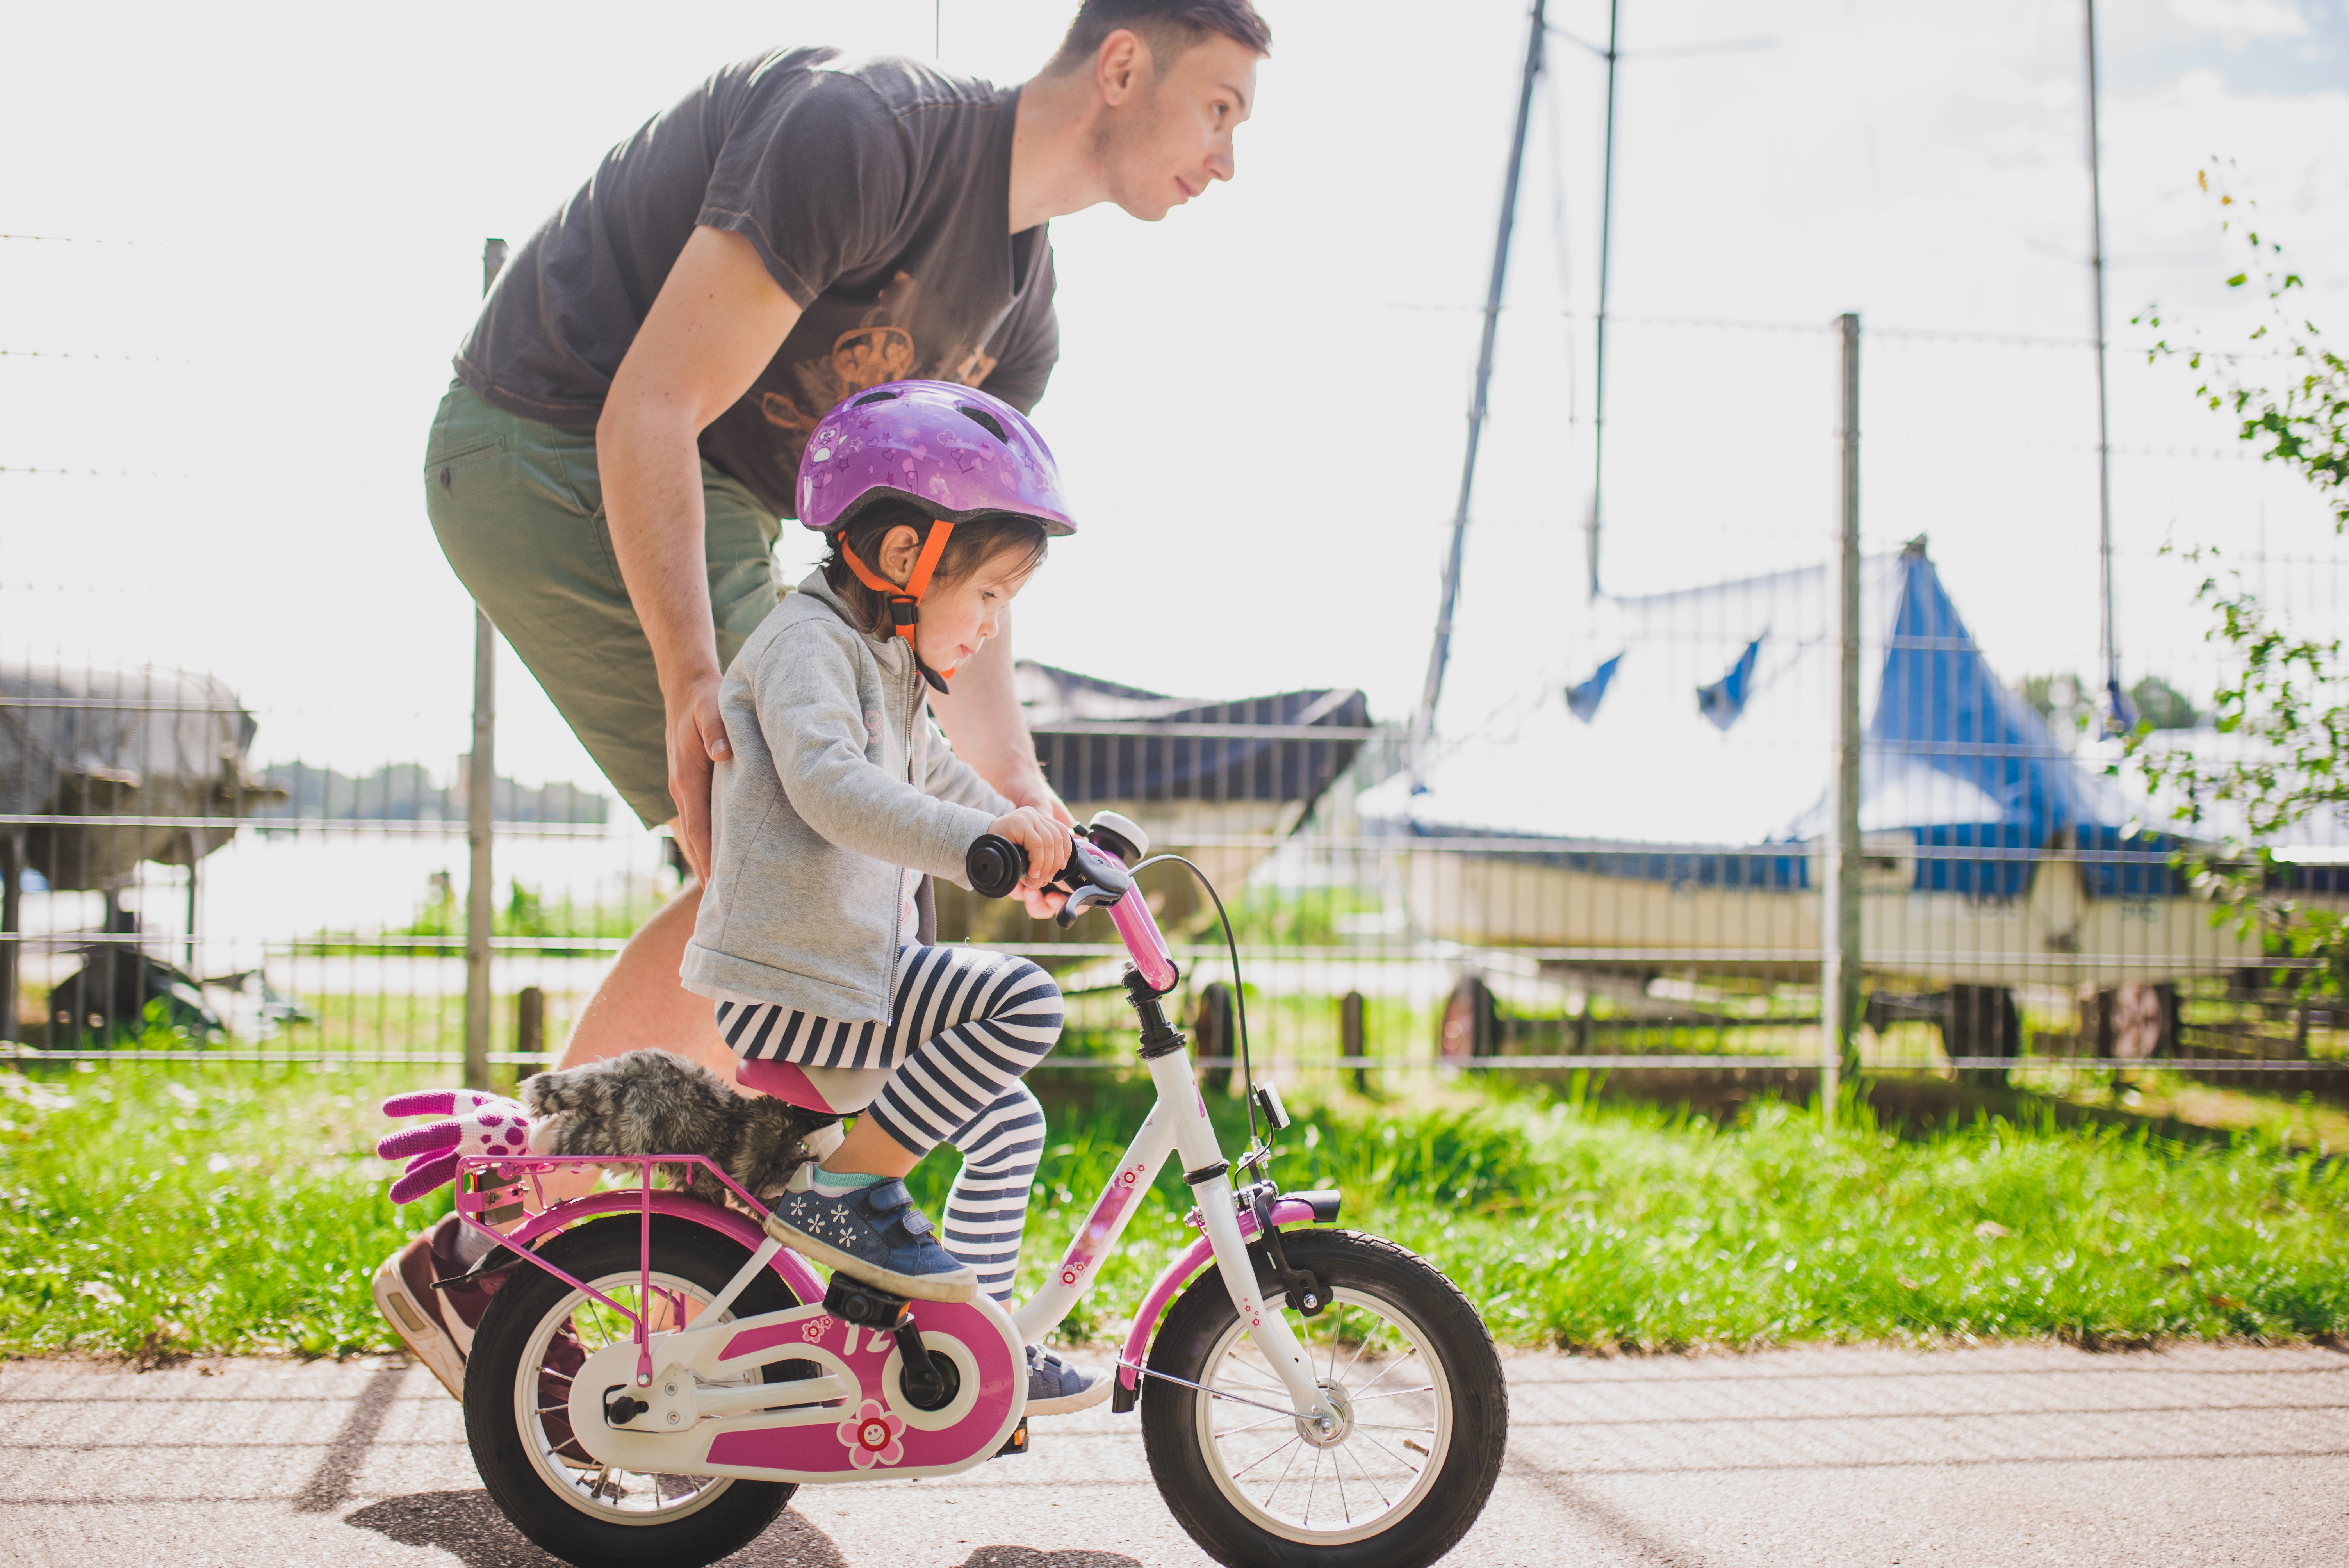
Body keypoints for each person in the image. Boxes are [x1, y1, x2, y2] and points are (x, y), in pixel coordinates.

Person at [376, 0, 1271, 1399]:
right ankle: (498, 1254)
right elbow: (646, 410)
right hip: (544, 443)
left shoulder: (1019, 315)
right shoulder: (869, 136)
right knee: (788, 851)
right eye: (1220, 108)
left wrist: (1020, 800)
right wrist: (692, 680)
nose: (1227, 161)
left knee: (831, 879)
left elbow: (943, 618)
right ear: (1120, 63)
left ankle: (720, 1244)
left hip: (712, 506)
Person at [692, 377, 1092, 1404]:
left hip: (850, 980)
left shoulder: (884, 657)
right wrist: (979, 846)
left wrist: (1047, 848)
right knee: (1023, 1002)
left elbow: (936, 782)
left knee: (1012, 1126)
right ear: (906, 556)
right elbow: (834, 789)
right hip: (797, 982)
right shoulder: (803, 647)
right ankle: (845, 1193)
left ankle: (973, 1348)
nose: (994, 627)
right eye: (992, 596)